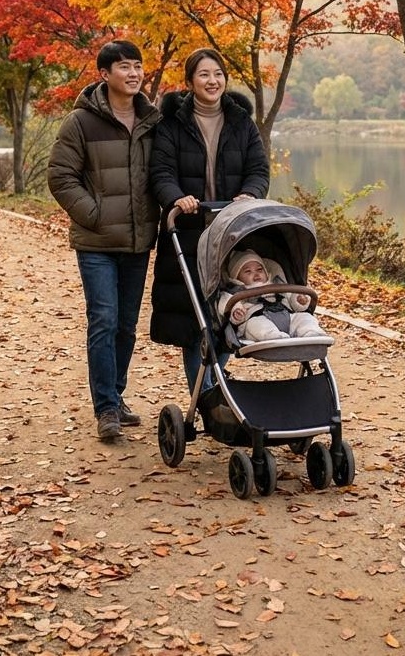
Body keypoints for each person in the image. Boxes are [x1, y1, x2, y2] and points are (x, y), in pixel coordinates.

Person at [47, 39, 161, 442]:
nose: (133, 74)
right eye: (125, 67)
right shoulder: (81, 122)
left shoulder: (152, 120)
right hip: (97, 243)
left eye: (138, 66)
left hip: (138, 241)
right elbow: (60, 177)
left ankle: (116, 394)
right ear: (104, 74)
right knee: (104, 320)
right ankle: (106, 409)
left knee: (127, 326)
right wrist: (93, 214)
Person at [149, 47, 270, 392]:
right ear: (189, 82)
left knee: (227, 313)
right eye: (203, 74)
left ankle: (216, 391)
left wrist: (250, 194)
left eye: (217, 74)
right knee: (195, 323)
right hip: (188, 232)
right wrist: (177, 198)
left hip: (231, 233)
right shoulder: (172, 124)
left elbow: (258, 169)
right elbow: (160, 172)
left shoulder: (241, 122)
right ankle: (206, 397)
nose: (212, 80)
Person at [217, 248, 328, 341]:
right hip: (256, 318)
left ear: (266, 271)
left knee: (304, 317)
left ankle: (312, 333)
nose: (256, 274)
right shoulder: (236, 290)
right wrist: (235, 311)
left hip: (286, 316)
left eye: (259, 269)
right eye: (248, 271)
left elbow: (290, 297)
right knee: (257, 325)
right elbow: (225, 302)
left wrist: (299, 299)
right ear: (236, 277)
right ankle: (274, 337)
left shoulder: (276, 284)